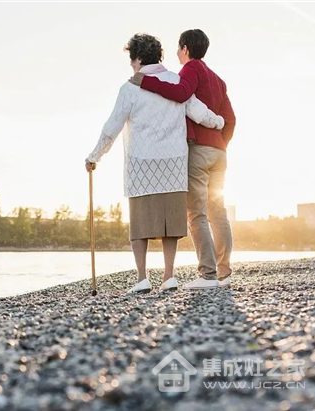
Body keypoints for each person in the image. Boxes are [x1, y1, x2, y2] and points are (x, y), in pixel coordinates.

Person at [85, 33, 225, 294]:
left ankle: (142, 278)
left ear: (137, 58)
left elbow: (112, 127)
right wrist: (218, 122)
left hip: (142, 166)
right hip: (173, 165)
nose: (131, 64)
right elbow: (198, 111)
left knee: (140, 225)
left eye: (131, 59)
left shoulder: (130, 88)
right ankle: (169, 276)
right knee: (169, 224)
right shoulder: (175, 80)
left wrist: (94, 156)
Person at [130, 29, 236, 289]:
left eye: (179, 48)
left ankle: (208, 275)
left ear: (186, 48)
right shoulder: (219, 80)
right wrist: (221, 143)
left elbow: (181, 94)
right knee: (218, 212)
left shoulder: (191, 69)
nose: (177, 53)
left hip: (198, 149)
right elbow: (231, 119)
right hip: (219, 151)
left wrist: (144, 81)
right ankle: (224, 272)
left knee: (197, 214)